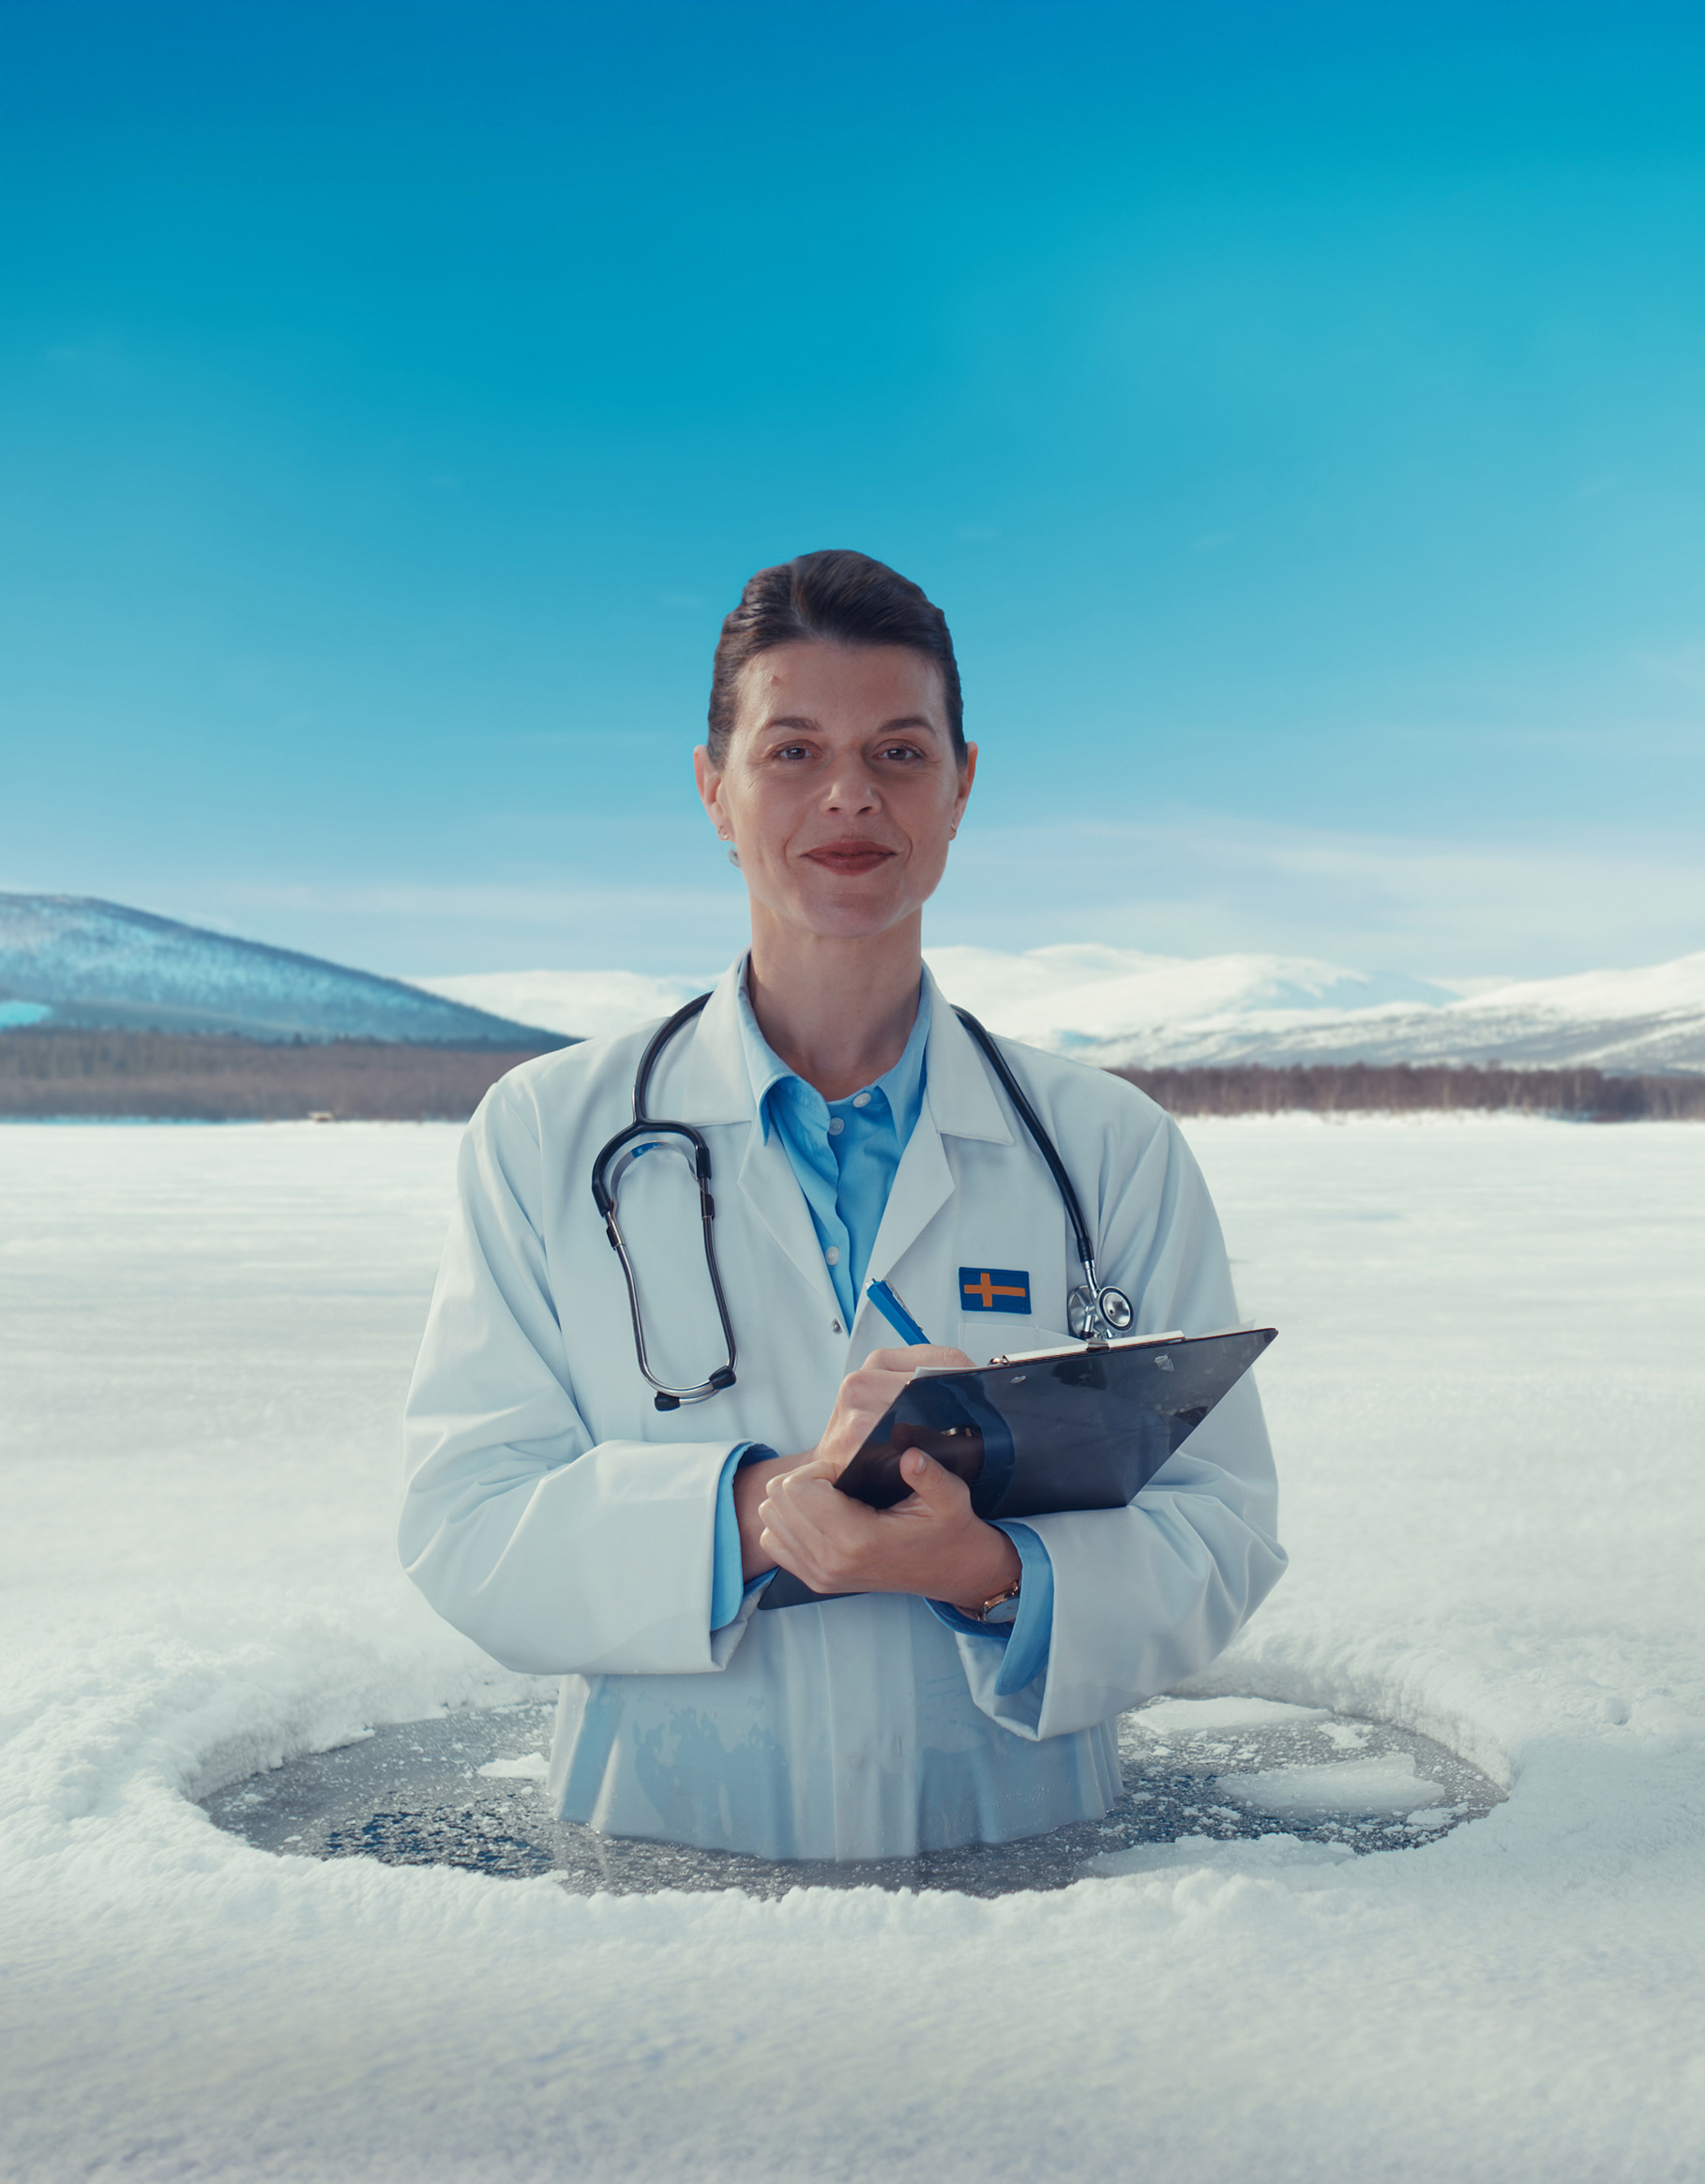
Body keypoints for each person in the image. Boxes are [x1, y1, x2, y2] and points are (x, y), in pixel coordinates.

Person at [400, 550, 1285, 1862]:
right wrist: (762, 1509)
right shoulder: (548, 1135)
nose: (850, 796)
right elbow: (468, 1524)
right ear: (714, 788)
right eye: (793, 750)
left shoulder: (1107, 1147)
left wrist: (988, 1572)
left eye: (898, 753)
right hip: (663, 1878)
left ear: (961, 784)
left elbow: (1220, 1528)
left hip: (1031, 1886)